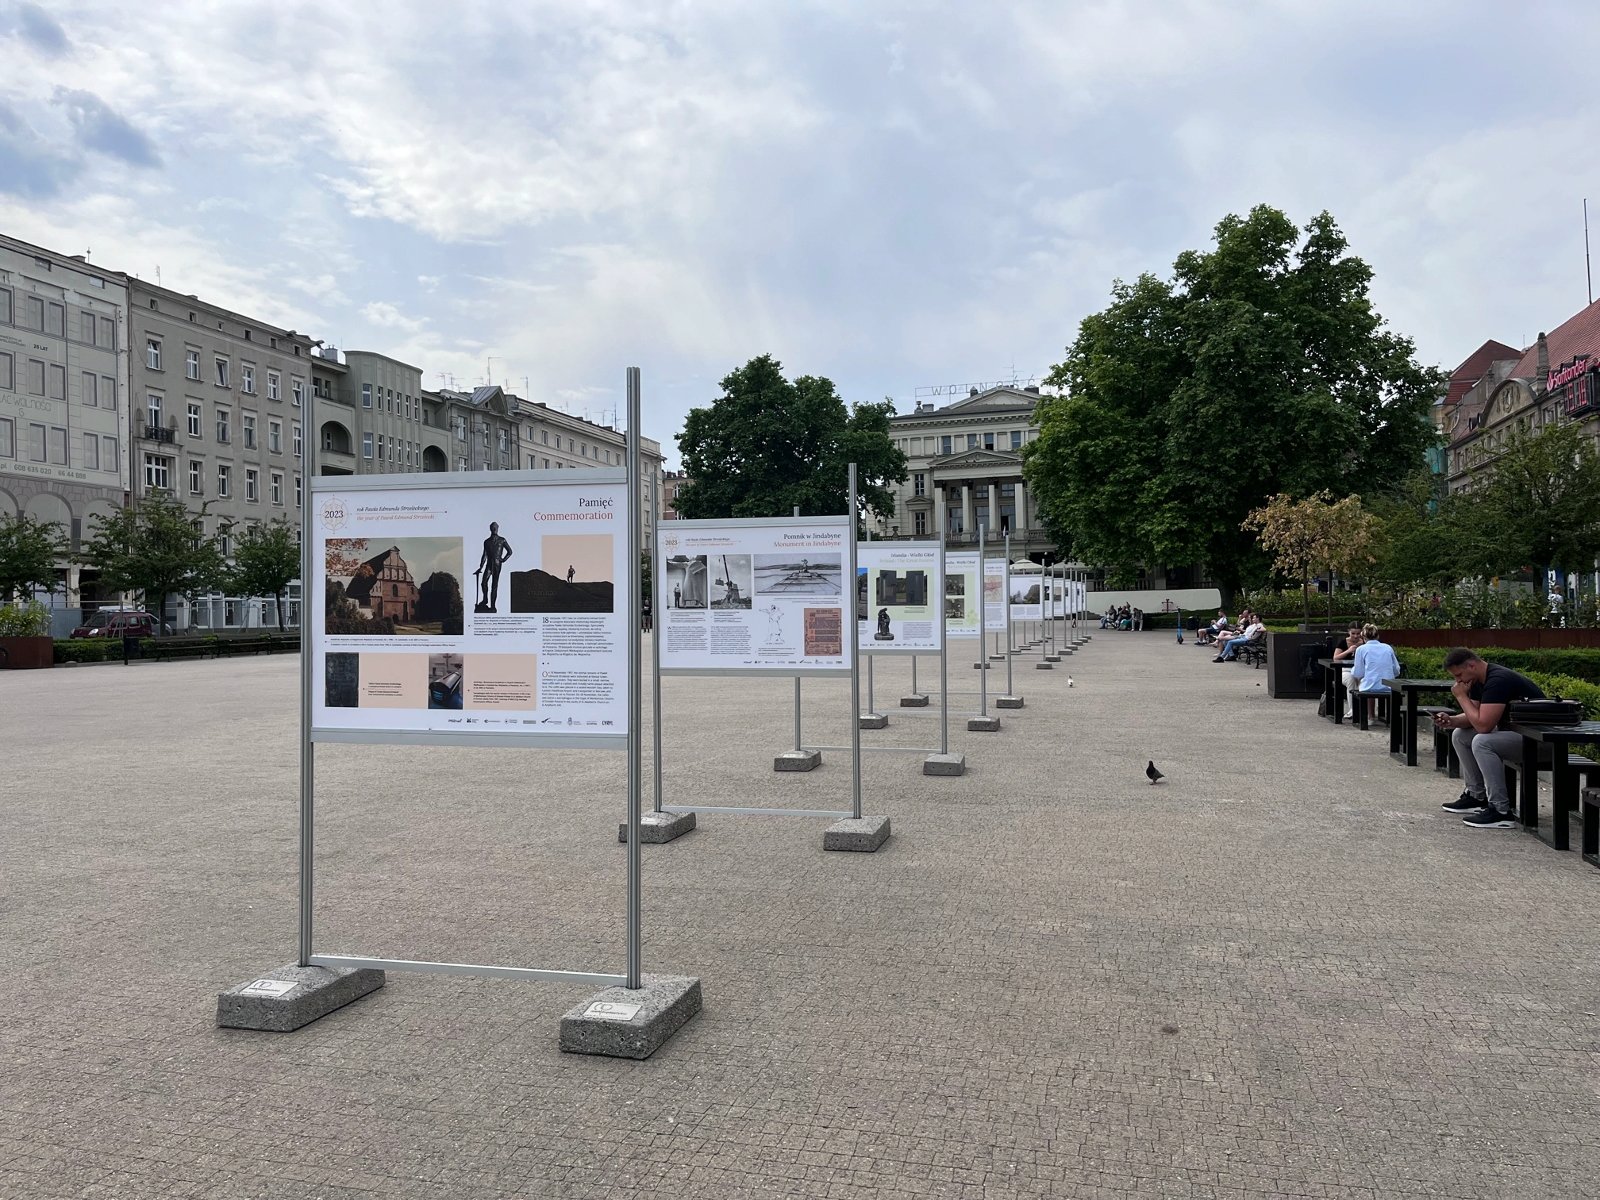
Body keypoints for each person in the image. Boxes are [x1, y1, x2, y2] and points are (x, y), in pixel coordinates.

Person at [1434, 648, 1545, 828]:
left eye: (1459, 675)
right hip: (1520, 737)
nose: (1458, 681)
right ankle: (1477, 796)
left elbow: (1483, 725)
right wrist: (1452, 720)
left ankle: (1500, 811)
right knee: (1460, 735)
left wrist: (1462, 697)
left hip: (1540, 742)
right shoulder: (1479, 680)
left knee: (1482, 741)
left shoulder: (1498, 680)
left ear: (1472, 665)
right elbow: (1474, 717)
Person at [475, 521, 513, 611]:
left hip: (497, 565)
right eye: (493, 527)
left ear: (498, 528)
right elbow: (484, 555)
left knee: (494, 586)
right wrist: (480, 567)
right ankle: (485, 599)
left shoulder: (502, 540)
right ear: (490, 529)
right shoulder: (486, 542)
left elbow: (510, 552)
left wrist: (503, 559)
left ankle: (493, 605)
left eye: (496, 527)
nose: (494, 529)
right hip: (488, 565)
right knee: (483, 582)